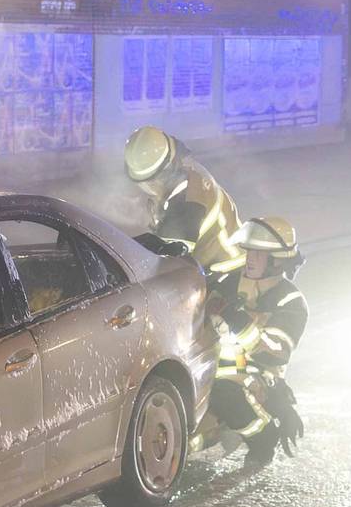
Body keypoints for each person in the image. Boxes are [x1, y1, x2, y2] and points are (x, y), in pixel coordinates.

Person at [210, 215, 307, 466]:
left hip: (259, 372)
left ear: (276, 261)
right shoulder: (231, 280)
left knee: (224, 392)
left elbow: (275, 353)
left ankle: (263, 438)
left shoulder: (291, 301)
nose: (250, 258)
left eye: (259, 254)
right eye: (249, 251)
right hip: (213, 356)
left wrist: (240, 323)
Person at [123, 125, 249, 280]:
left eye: (146, 182)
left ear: (158, 178)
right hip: (235, 260)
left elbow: (165, 264)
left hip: (223, 271)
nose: (143, 188)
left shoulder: (185, 208)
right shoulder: (190, 173)